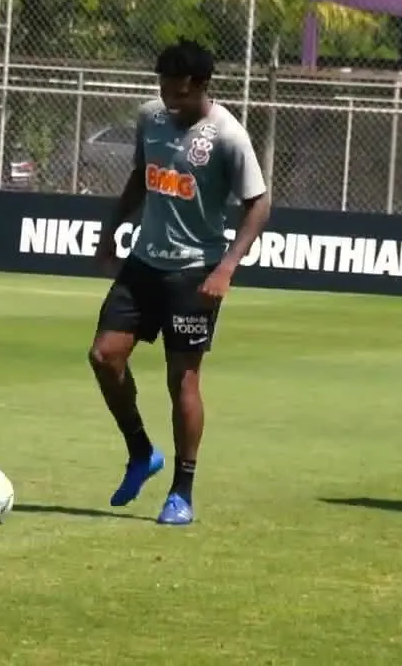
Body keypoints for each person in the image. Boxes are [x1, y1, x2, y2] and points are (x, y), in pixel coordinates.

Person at [88, 39, 272, 526]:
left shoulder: (229, 136)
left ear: (201, 86)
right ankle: (141, 452)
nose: (168, 99)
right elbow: (139, 177)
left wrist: (228, 265)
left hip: (194, 272)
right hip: (144, 264)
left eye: (178, 91)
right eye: (163, 88)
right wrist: (111, 230)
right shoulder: (150, 117)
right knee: (104, 357)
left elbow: (259, 203)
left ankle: (181, 492)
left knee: (182, 380)